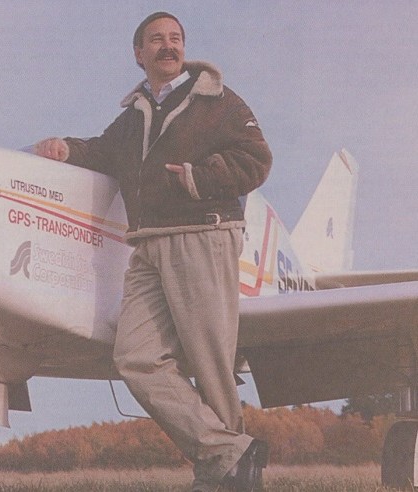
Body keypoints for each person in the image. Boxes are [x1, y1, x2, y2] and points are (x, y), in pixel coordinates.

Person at [34, 12, 272, 492]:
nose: (169, 46)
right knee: (135, 357)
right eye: (157, 39)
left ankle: (223, 474)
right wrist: (66, 148)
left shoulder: (218, 101)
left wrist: (197, 178)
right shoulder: (134, 116)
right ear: (139, 53)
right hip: (146, 245)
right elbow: (103, 152)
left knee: (208, 361)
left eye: (176, 38)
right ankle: (229, 454)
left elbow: (256, 159)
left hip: (202, 234)